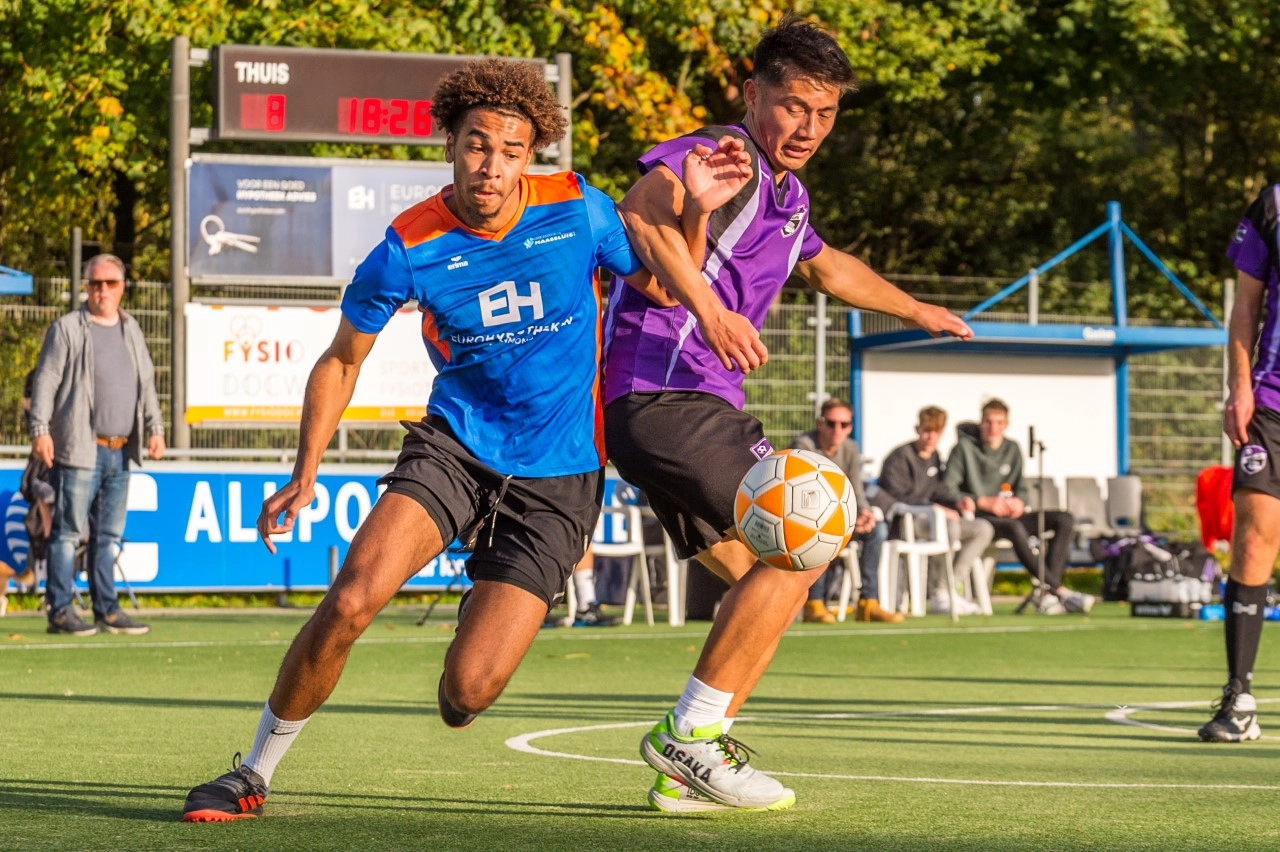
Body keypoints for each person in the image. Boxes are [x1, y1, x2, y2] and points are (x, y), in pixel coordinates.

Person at [180, 58, 749, 822]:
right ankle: (252, 771)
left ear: (530, 156)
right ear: (450, 143)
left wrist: (698, 212)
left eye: (511, 151)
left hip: (560, 474)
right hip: (455, 447)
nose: (492, 165)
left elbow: (663, 289)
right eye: (478, 144)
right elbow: (341, 360)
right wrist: (303, 471)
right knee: (351, 600)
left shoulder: (579, 209)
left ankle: (485, 591)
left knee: (467, 696)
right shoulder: (408, 245)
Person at [604, 16, 972, 813]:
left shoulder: (788, 194)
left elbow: (828, 267)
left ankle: (691, 765)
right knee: (809, 540)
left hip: (668, 407)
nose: (809, 127)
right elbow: (639, 212)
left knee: (763, 588)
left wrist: (915, 309)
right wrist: (708, 310)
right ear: (752, 95)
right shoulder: (722, 155)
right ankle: (690, 737)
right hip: (667, 392)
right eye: (794, 105)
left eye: (826, 113)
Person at [28, 253, 164, 636]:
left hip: (121, 451)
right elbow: (45, 381)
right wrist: (40, 429)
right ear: (86, 287)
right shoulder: (67, 328)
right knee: (68, 533)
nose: (101, 290)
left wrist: (155, 428)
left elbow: (146, 383)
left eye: (110, 283)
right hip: (79, 449)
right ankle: (60, 611)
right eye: (94, 283)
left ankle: (107, 610)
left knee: (107, 537)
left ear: (122, 288)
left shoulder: (131, 328)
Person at [1198, 185, 1280, 742]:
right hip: (1271, 402)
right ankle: (1239, 698)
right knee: (1251, 542)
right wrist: (1239, 386)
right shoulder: (1273, 205)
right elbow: (1246, 305)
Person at [942, 398, 1091, 615]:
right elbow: (947, 490)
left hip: (1010, 516)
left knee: (1064, 519)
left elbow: (1021, 488)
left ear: (1006, 425)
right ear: (981, 423)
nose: (993, 428)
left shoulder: (1012, 448)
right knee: (1015, 528)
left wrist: (1020, 502)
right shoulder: (963, 449)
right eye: (988, 422)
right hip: (981, 520)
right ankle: (1057, 591)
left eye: (999, 422)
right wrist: (981, 501)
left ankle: (1047, 594)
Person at [789, 398, 899, 623]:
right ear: (820, 423)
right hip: (808, 519)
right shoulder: (804, 446)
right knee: (820, 531)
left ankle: (868, 602)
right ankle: (813, 603)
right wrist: (845, 519)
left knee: (878, 530)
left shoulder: (850, 448)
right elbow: (807, 496)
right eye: (831, 423)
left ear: (850, 427)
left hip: (841, 520)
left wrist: (864, 513)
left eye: (844, 424)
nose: (837, 429)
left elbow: (856, 490)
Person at [877, 405, 995, 615]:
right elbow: (894, 496)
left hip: (934, 520)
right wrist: (933, 507)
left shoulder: (935, 457)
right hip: (906, 522)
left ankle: (948, 588)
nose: (931, 437)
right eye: (927, 431)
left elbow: (939, 491)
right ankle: (937, 593)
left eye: (937, 432)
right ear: (917, 429)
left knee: (983, 529)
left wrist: (958, 502)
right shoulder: (900, 457)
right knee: (949, 526)